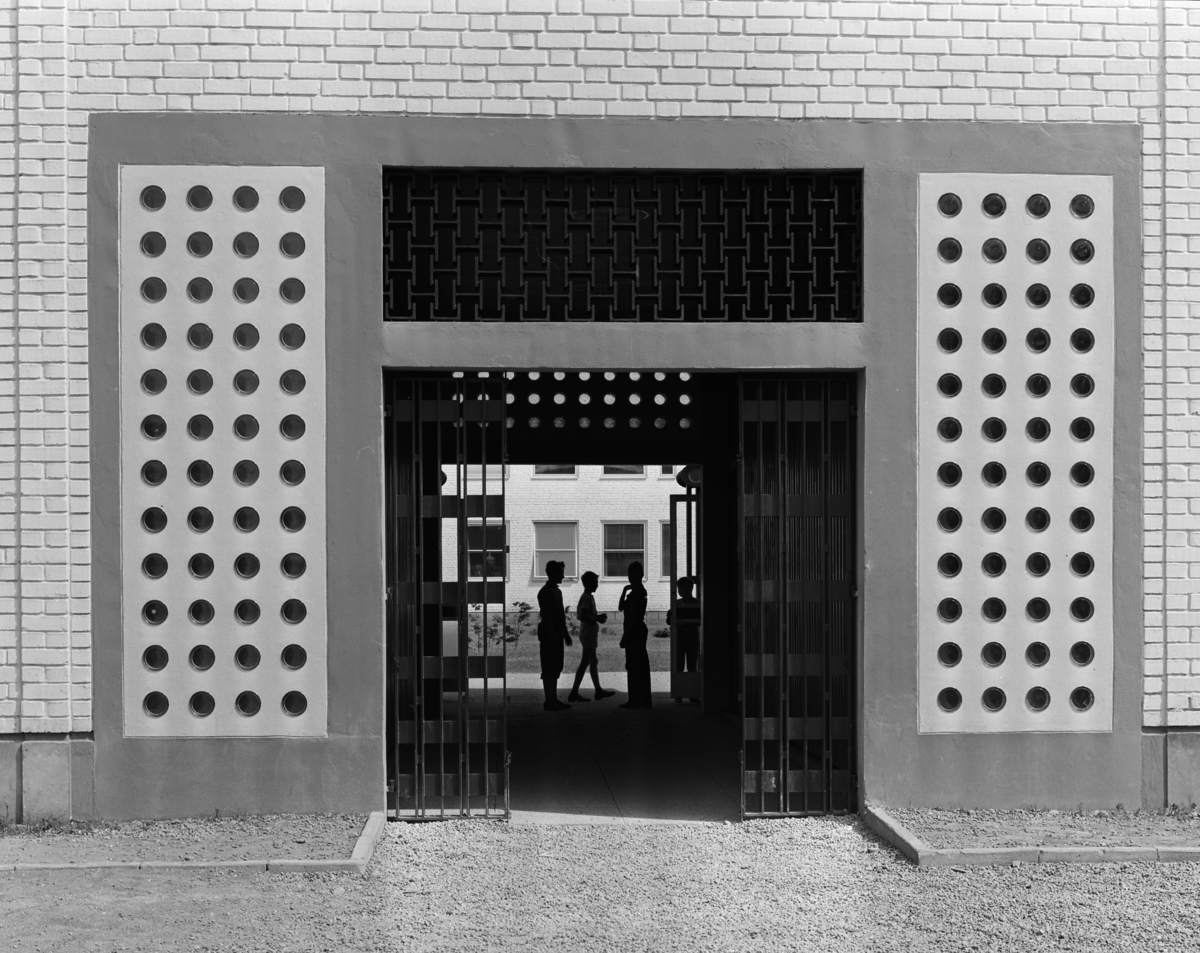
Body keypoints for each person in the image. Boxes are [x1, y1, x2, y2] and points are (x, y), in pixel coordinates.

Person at [569, 571, 616, 703]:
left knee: (593, 661)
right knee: (585, 662)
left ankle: (598, 691)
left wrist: (597, 617)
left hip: (589, 633)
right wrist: (597, 618)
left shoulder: (588, 596)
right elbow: (583, 615)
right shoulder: (586, 598)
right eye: (595, 582)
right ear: (588, 583)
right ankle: (574, 692)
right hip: (588, 633)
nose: (597, 585)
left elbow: (586, 614)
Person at [536, 560, 572, 712]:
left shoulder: (557, 592)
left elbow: (561, 616)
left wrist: (565, 634)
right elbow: (547, 617)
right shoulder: (544, 593)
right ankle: (548, 700)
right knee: (548, 668)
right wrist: (553, 636)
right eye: (560, 573)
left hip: (557, 634)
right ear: (552, 573)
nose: (563, 576)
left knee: (556, 667)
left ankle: (554, 698)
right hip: (548, 635)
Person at [618, 561, 651, 709]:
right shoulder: (634, 592)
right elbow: (621, 607)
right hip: (635, 629)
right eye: (630, 576)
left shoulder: (639, 592)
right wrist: (624, 590)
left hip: (635, 630)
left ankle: (636, 699)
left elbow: (632, 616)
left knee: (635, 665)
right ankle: (640, 699)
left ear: (641, 575)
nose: (631, 578)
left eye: (634, 576)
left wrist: (625, 636)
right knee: (635, 664)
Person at [666, 576, 701, 674]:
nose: (679, 591)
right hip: (684, 637)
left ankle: (687, 682)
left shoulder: (679, 603)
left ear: (689, 589)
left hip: (686, 637)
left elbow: (699, 621)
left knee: (689, 665)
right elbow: (669, 621)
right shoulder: (679, 603)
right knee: (682, 665)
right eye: (678, 588)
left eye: (680, 588)